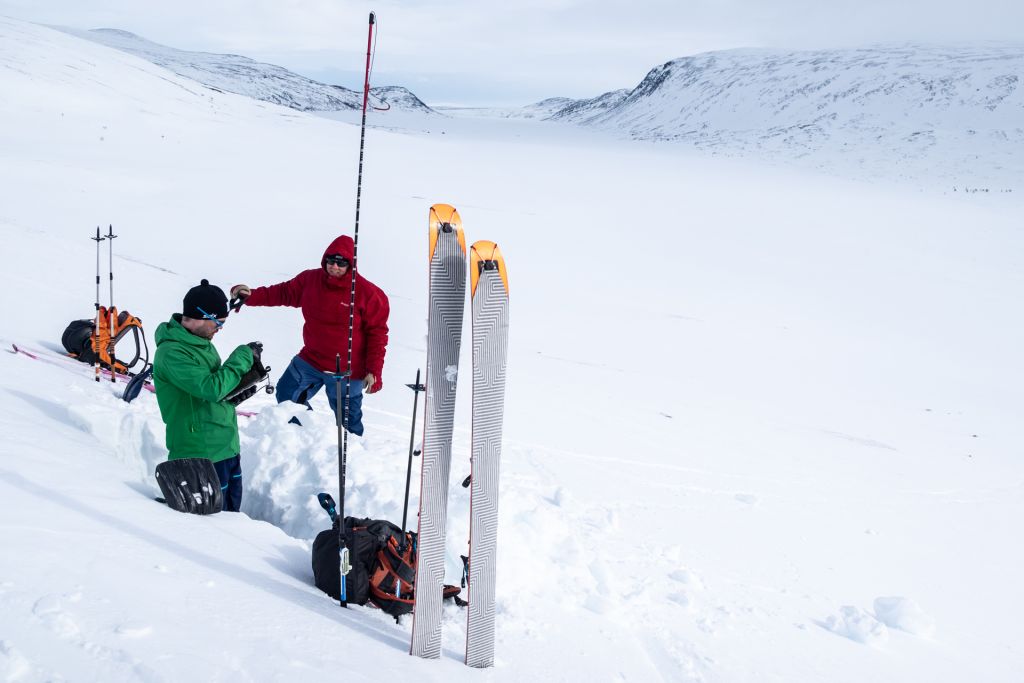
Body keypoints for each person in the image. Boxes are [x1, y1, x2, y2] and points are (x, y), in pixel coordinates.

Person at [230, 234, 389, 436]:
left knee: (348, 422)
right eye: (331, 261)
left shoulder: (369, 294)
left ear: (351, 264)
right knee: (287, 396)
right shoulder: (310, 280)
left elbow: (378, 335)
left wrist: (373, 370)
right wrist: (250, 296)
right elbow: (282, 293)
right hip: (311, 359)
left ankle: (351, 461)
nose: (334, 267)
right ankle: (308, 439)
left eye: (341, 263)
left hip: (349, 370)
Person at [152, 279, 257, 512]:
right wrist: (242, 356)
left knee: (232, 521)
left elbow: (213, 390)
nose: (219, 328)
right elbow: (211, 388)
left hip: (226, 447)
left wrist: (235, 392)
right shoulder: (172, 353)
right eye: (217, 322)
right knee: (211, 528)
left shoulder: (200, 341)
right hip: (199, 455)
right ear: (199, 316)